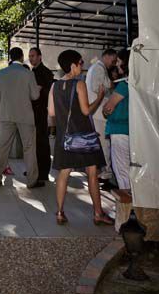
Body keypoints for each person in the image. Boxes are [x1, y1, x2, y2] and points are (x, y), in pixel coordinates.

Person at [49, 49, 113, 226]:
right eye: (80, 63)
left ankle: (60, 212)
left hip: (65, 137)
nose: (82, 66)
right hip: (83, 136)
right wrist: (99, 97)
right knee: (92, 173)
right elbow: (86, 111)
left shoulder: (54, 86)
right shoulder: (79, 84)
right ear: (72, 65)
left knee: (63, 174)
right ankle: (98, 213)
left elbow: (51, 112)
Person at [0, 47, 42, 188]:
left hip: (6, 115)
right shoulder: (28, 73)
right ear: (21, 57)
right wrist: (36, 89)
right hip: (25, 115)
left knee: (2, 148)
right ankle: (32, 180)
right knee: (29, 148)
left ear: (11, 57)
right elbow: (35, 96)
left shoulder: (1, 73)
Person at [86, 49, 118, 188]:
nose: (114, 63)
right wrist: (110, 85)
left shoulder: (97, 68)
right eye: (114, 60)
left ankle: (103, 172)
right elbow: (96, 88)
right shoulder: (99, 69)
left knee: (101, 144)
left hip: (97, 113)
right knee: (104, 145)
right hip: (99, 113)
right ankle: (106, 174)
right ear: (106, 56)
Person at [103, 49, 131, 203]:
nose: (117, 64)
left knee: (122, 171)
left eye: (119, 61)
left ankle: (128, 209)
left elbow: (108, 107)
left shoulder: (124, 84)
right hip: (133, 131)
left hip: (120, 131)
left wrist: (105, 109)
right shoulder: (140, 81)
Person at [29, 47, 54, 182]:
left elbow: (50, 92)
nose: (31, 58)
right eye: (29, 56)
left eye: (33, 56)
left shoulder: (46, 72)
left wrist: (40, 89)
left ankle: (43, 173)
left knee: (42, 142)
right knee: (34, 143)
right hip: (33, 111)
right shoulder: (32, 71)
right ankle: (35, 169)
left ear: (40, 57)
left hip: (42, 111)